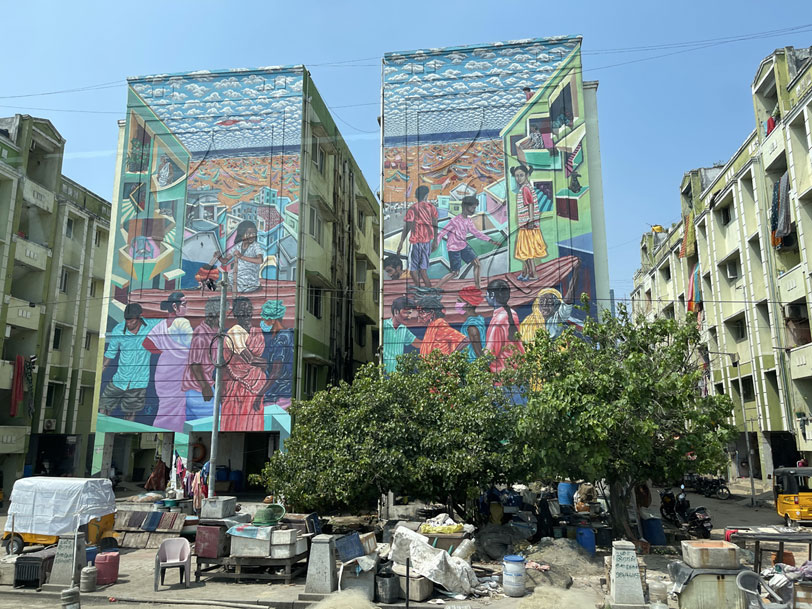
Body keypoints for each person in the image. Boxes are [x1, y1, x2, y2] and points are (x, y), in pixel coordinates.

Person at [100, 303, 160, 421]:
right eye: (127, 320)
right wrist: (98, 375)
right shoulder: (118, 330)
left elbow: (169, 322)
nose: (128, 324)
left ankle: (126, 431)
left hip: (139, 382)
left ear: (139, 317)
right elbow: (109, 355)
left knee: (130, 413)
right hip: (119, 379)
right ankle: (102, 428)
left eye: (131, 321)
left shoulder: (151, 326)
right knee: (104, 408)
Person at [144, 292, 193, 432]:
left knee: (166, 406)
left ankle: (161, 431)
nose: (187, 307)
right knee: (176, 406)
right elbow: (193, 345)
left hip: (163, 370)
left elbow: (147, 343)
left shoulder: (161, 325)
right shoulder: (183, 322)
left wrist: (166, 351)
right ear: (175, 306)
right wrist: (175, 352)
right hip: (176, 372)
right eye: (184, 304)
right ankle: (172, 432)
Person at [221, 298, 269, 432]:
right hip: (237, 387)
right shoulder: (235, 332)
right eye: (242, 311)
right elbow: (249, 359)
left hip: (256, 387)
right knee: (236, 424)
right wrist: (264, 363)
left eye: (248, 310)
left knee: (254, 425)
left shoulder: (256, 331)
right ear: (235, 313)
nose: (246, 314)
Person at [436, 196, 496, 289]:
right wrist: (436, 244)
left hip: (463, 246)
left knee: (477, 264)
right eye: (472, 208)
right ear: (465, 207)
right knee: (455, 273)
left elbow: (476, 233)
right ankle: (435, 287)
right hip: (454, 248)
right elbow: (442, 233)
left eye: (475, 208)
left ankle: (478, 287)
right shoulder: (454, 221)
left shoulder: (468, 221)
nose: (474, 210)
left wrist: (489, 240)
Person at [519, 258, 581, 343]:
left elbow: (569, 296)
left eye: (549, 302)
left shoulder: (557, 318)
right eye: (541, 302)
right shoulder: (528, 322)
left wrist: (576, 271)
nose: (545, 305)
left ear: (555, 305)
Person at [181, 298, 220, 422]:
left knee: (192, 425)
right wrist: (205, 387)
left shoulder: (215, 331)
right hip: (197, 388)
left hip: (204, 384)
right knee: (212, 421)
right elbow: (195, 364)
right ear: (214, 314)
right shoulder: (201, 333)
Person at [396, 185, 438, 288]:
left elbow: (407, 227)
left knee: (412, 270)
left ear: (415, 196)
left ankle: (420, 289)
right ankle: (429, 289)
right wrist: (435, 240)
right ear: (426, 195)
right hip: (427, 242)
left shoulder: (413, 208)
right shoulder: (431, 207)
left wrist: (401, 242)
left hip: (416, 242)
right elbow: (435, 224)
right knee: (423, 270)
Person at [511, 164, 547, 281]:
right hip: (525, 225)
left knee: (527, 251)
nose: (518, 178)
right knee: (525, 251)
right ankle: (525, 273)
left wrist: (531, 220)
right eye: (516, 176)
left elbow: (530, 204)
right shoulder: (525, 188)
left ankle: (533, 274)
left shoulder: (525, 188)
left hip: (528, 225)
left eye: (521, 175)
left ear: (526, 175)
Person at [484, 279, 524, 373]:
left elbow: (490, 352)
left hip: (502, 373)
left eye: (486, 294)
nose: (485, 297)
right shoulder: (512, 313)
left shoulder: (498, 320)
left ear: (492, 295)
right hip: (515, 370)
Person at [259, 299, 293, 408]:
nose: (263, 323)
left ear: (273, 320)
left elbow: (276, 372)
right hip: (286, 392)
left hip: (279, 395)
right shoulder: (288, 334)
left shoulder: (281, 339)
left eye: (265, 319)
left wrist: (260, 394)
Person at [215, 220, 263, 293]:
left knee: (222, 289)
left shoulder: (255, 246)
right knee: (219, 285)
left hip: (248, 280)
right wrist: (219, 257)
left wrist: (241, 256)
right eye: (249, 233)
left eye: (254, 233)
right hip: (235, 276)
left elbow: (260, 260)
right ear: (242, 234)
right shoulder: (238, 246)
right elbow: (225, 261)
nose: (252, 236)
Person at [382, 296, 420, 374]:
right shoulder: (383, 325)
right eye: (406, 313)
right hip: (384, 373)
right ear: (396, 312)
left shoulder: (404, 329)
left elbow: (418, 344)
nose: (409, 317)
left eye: (410, 313)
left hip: (398, 374)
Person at [456, 286, 486, 361]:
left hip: (471, 364)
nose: (457, 304)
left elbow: (479, 353)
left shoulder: (471, 326)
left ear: (468, 304)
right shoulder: (478, 319)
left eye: (459, 301)